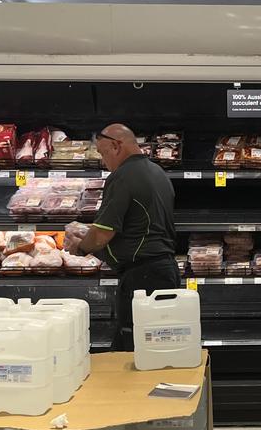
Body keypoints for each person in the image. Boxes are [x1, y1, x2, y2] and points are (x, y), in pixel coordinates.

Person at [66, 123, 180, 351]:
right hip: (165, 271)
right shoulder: (157, 172)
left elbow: (101, 235)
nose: (102, 159)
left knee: (133, 346)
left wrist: (79, 247)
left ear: (116, 146)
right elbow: (134, 226)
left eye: (102, 152)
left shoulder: (123, 176)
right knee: (160, 343)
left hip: (142, 278)